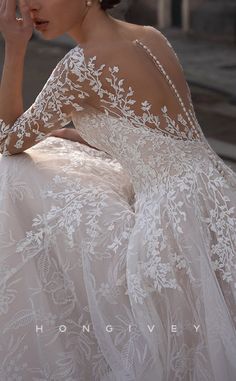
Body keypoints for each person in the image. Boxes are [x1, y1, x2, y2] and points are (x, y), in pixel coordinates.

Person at [0, 0, 236, 380]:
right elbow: (153, 137)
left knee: (7, 170)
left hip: (170, 224)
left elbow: (8, 138)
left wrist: (15, 46)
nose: (31, 7)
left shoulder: (79, 67)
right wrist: (73, 135)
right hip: (217, 195)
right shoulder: (151, 37)